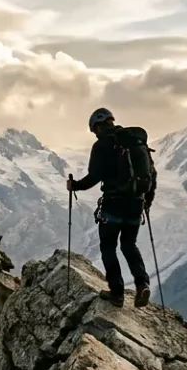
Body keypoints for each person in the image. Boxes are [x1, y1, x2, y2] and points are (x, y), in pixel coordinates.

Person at [66, 107, 156, 308]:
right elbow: (151, 174)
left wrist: (75, 186)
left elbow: (94, 177)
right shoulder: (136, 143)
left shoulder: (102, 146)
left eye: (94, 130)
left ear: (97, 126)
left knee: (108, 246)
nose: (95, 133)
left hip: (113, 204)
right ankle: (142, 284)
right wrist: (146, 201)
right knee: (129, 244)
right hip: (135, 204)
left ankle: (117, 293)